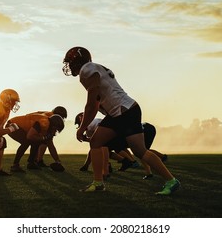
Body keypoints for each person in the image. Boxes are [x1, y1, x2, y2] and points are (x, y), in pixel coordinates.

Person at [62, 46, 180, 195]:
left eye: (70, 62)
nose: (68, 66)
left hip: (122, 111)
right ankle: (98, 183)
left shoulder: (87, 69)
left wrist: (82, 127)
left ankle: (171, 180)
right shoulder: (94, 67)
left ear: (77, 60)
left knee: (136, 150)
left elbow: (93, 103)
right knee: (102, 143)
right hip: (124, 109)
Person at [75, 112, 167, 179]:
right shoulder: (89, 129)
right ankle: (145, 170)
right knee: (138, 151)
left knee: (141, 151)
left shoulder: (93, 123)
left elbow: (101, 141)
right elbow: (96, 143)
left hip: (145, 129)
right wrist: (86, 139)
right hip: (132, 131)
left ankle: (136, 164)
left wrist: (105, 167)